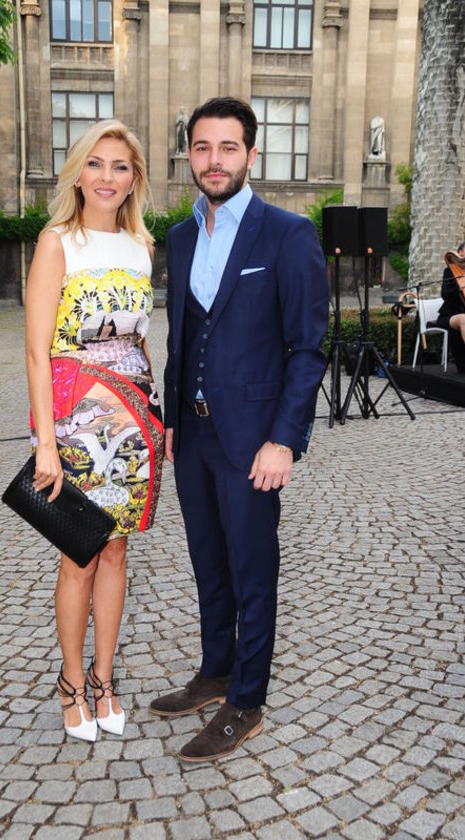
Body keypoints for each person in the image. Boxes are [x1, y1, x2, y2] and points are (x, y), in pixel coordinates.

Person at [150, 97, 329, 762]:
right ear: (189, 154)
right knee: (207, 563)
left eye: (228, 147)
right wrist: (172, 420)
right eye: (202, 147)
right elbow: (182, 338)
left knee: (252, 571)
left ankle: (246, 700)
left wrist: (283, 440)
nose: (214, 160)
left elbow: (307, 348)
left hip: (254, 440)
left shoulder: (287, 234)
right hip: (193, 436)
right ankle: (215, 672)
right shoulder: (179, 237)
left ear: (251, 154)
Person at [25, 120, 164, 743]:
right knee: (79, 552)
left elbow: (140, 341)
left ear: (134, 180)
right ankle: (71, 682)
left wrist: (156, 421)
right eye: (97, 164)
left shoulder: (142, 247)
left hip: (133, 417)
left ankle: (105, 680)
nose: (108, 177)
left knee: (116, 551)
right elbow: (36, 352)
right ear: (78, 173)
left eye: (121, 166)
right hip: (74, 420)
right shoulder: (57, 242)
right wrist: (45, 445)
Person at [435, 241, 465, 372]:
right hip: (449, 316)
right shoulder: (449, 271)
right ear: (460, 253)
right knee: (463, 318)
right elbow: (445, 294)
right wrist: (460, 287)